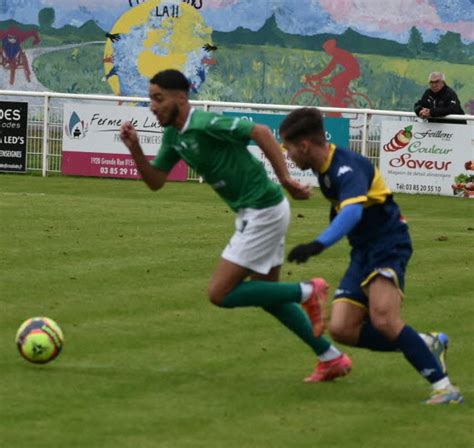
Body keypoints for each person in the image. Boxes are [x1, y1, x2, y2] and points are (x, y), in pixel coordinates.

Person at [119, 69, 352, 382]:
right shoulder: (174, 136)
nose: (153, 105)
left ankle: (308, 291)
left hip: (262, 210)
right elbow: (156, 182)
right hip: (259, 210)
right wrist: (134, 149)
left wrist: (285, 179)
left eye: (158, 98)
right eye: (151, 99)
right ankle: (331, 357)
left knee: (220, 293)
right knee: (269, 295)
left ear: (181, 98)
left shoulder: (203, 123)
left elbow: (260, 132)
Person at [279, 107, 464, 404]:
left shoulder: (347, 166)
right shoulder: (323, 169)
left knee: (383, 319)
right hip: (363, 251)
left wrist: (318, 244)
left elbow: (352, 212)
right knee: (342, 329)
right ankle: (425, 343)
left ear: (303, 145)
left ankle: (445, 389)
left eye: (287, 148)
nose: (287, 155)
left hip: (388, 244)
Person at [304, 39, 361, 108]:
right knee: (334, 80)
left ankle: (338, 101)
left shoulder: (338, 54)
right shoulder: (337, 53)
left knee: (336, 80)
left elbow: (329, 69)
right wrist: (317, 76)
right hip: (351, 70)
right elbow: (329, 69)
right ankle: (340, 98)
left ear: (331, 48)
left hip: (353, 71)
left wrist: (316, 77)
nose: (327, 52)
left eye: (327, 50)